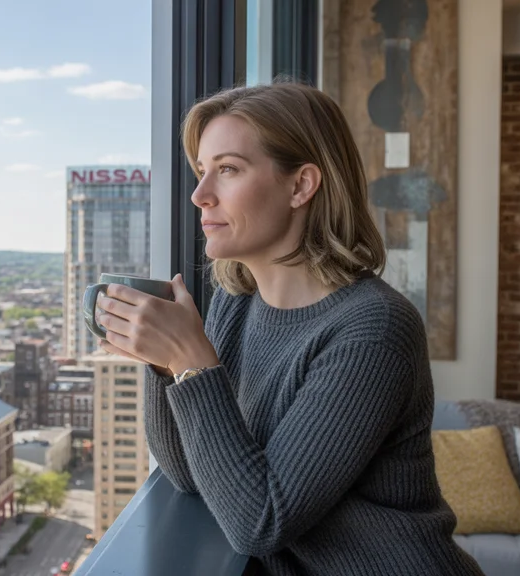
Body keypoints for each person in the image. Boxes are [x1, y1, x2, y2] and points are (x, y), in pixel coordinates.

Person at [93, 82, 484, 575]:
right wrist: (165, 362)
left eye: (228, 169)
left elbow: (261, 521)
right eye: (201, 171)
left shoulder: (374, 330)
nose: (199, 195)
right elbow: (192, 474)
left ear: (300, 185)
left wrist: (191, 362)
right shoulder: (235, 305)